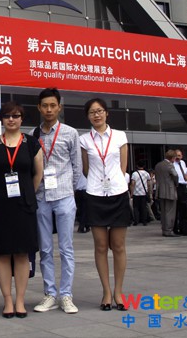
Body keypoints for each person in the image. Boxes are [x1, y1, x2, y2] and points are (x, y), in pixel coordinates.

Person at [0, 101, 43, 318]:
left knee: (22, 253)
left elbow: (38, 173)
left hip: (24, 205)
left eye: (15, 116)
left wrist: (28, 192)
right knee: (3, 252)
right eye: (7, 116)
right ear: (1, 119)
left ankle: (20, 300)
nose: (11, 119)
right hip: (0, 205)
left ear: (21, 118)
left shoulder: (31, 143)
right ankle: (7, 300)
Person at [31, 88, 82, 314]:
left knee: (66, 248)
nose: (49, 110)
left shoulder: (70, 133)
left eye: (53, 105)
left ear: (59, 107)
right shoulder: (34, 134)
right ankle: (50, 294)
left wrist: (70, 190)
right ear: (39, 108)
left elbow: (77, 166)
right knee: (44, 248)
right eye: (45, 106)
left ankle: (66, 295)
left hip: (63, 196)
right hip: (41, 197)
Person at [78, 98, 131, 311]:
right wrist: (99, 182)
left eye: (100, 111)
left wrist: (114, 181)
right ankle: (106, 292)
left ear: (106, 113)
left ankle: (118, 291)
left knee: (118, 245)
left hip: (118, 193)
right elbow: (85, 169)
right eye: (92, 112)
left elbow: (123, 166)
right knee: (100, 245)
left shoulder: (120, 136)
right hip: (95, 194)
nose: (97, 115)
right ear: (88, 116)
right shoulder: (84, 140)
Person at [155, 150, 180, 237]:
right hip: (170, 190)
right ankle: (169, 230)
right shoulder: (169, 165)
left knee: (163, 211)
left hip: (161, 190)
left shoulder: (158, 165)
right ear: (172, 158)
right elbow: (175, 175)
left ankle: (164, 229)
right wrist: (176, 183)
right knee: (170, 212)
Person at [172, 149, 187, 235]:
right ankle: (175, 227)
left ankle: (183, 226)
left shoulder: (183, 163)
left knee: (184, 207)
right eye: (176, 155)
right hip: (177, 186)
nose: (178, 157)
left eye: (179, 156)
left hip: (184, 186)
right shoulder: (172, 164)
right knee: (176, 208)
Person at [129, 162, 151, 226]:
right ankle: (144, 221)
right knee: (144, 207)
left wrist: (131, 193)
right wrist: (149, 192)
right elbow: (149, 183)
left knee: (136, 208)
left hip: (136, 193)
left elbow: (133, 183)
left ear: (137, 166)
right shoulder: (147, 173)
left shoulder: (134, 174)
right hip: (144, 192)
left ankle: (136, 221)